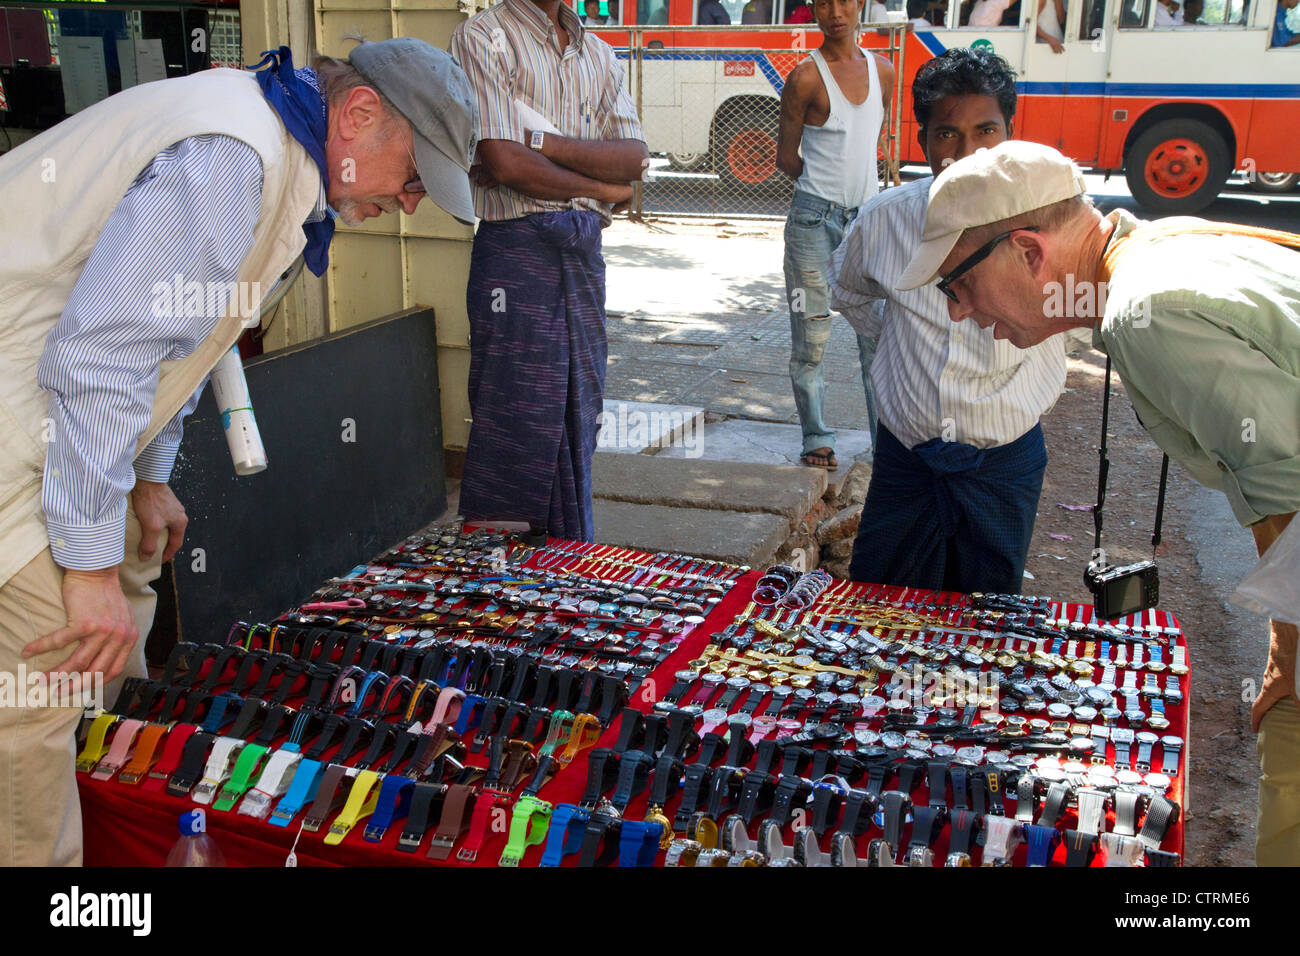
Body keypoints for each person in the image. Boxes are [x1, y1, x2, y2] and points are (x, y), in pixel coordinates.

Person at [0, 38, 478, 867]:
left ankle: (93, 804)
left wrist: (149, 479)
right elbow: (104, 356)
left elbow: (188, 331)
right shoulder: (234, 157)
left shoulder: (271, 153)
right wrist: (82, 572)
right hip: (24, 419)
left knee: (124, 596)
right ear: (358, 115)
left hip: (57, 416)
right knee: (40, 691)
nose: (408, 204)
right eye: (412, 176)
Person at [895, 139, 1300, 863]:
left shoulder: (1150, 310)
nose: (959, 314)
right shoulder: (1164, 243)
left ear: (1026, 253)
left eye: (955, 285)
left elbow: (1292, 495)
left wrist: (1289, 662)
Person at [830, 48, 1067, 595]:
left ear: (1009, 134)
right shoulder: (885, 220)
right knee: (882, 612)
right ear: (923, 142)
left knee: (987, 621)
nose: (968, 152)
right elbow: (850, 292)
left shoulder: (1052, 228)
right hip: (907, 461)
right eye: (946, 134)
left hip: (1003, 464)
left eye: (986, 130)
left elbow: (1071, 317)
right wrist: (900, 335)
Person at [451, 0, 647, 542]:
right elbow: (504, 163)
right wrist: (600, 186)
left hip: (582, 260)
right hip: (515, 257)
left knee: (579, 414)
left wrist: (542, 145)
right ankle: (501, 581)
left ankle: (565, 566)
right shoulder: (484, 37)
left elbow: (634, 160)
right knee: (515, 420)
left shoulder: (600, 55)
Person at [776, 0, 894, 470]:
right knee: (811, 338)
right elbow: (786, 159)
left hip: (868, 222)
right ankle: (816, 438)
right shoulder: (804, 77)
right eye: (822, 2)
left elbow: (878, 143)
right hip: (812, 222)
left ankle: (888, 446)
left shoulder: (883, 71)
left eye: (844, 0)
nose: (834, 11)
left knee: (879, 340)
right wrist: (823, 194)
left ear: (860, 4)